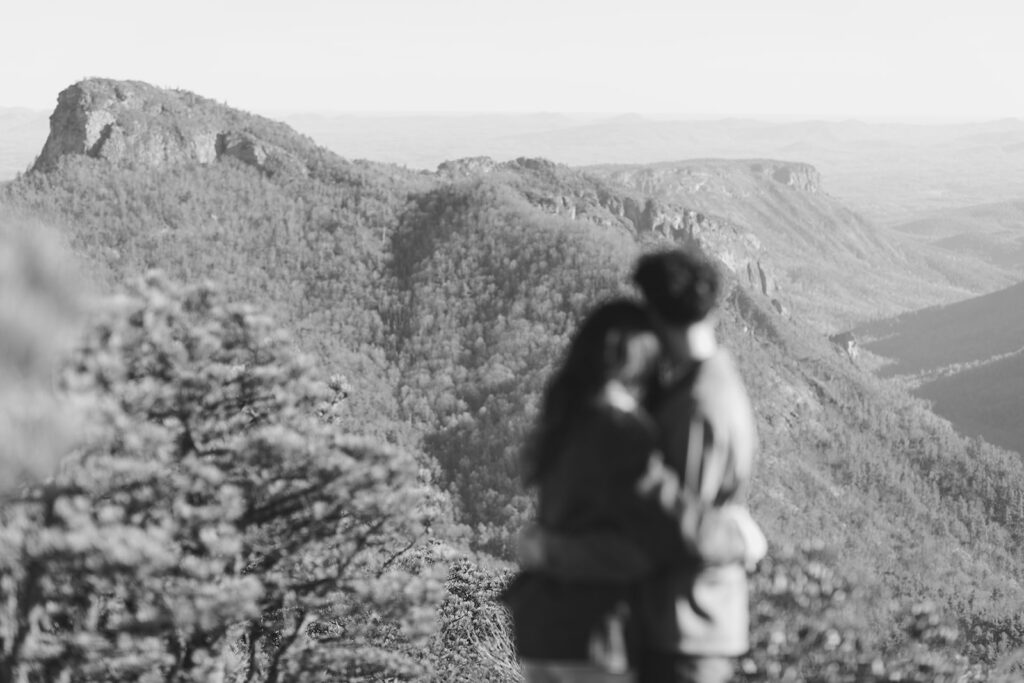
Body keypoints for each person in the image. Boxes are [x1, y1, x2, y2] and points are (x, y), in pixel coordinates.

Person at [519, 248, 763, 683]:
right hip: (619, 631)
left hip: (661, 626)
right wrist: (741, 540)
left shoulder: (688, 404)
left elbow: (669, 534)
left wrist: (547, 550)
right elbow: (670, 529)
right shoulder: (666, 405)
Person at [502, 298, 680, 683]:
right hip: (593, 630)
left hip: (538, 627)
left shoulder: (561, 419)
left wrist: (540, 546)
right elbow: (648, 545)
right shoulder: (628, 431)